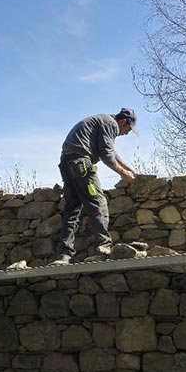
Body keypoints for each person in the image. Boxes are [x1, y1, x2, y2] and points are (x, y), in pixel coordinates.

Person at [52, 107, 138, 264]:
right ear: (123, 121)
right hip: (81, 165)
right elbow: (107, 156)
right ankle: (104, 247)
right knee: (98, 202)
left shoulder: (102, 121)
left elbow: (112, 153)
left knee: (72, 209)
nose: (125, 133)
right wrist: (123, 173)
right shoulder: (110, 124)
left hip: (67, 164)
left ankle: (63, 255)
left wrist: (130, 169)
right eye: (127, 129)